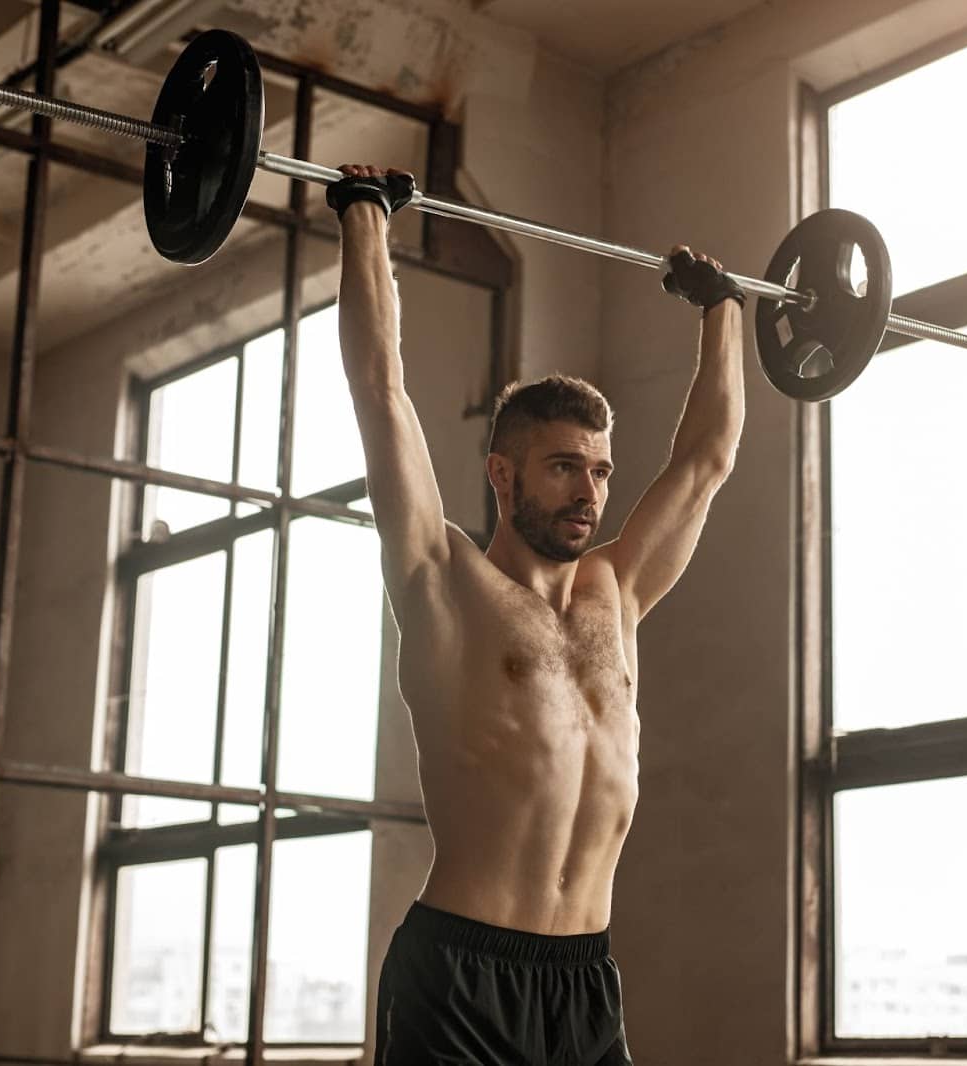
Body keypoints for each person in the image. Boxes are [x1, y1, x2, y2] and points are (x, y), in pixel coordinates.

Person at [327, 164, 744, 1066]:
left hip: (584, 980)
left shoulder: (617, 594)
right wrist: (365, 219)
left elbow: (708, 458)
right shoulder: (441, 577)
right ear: (503, 475)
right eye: (562, 466)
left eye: (598, 470)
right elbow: (378, 390)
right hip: (460, 975)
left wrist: (724, 312)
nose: (588, 490)